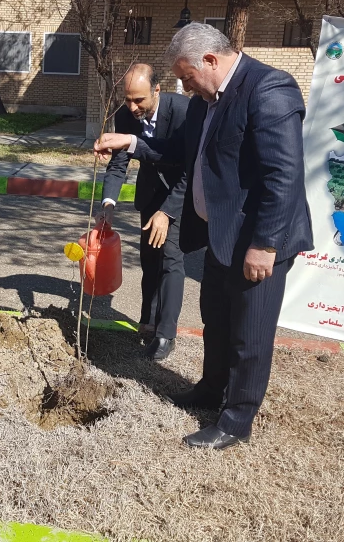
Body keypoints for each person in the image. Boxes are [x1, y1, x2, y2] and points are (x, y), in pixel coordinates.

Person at [95, 23, 313, 449]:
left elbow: (284, 176)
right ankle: (211, 390)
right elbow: (179, 156)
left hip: (258, 241)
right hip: (220, 235)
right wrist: (130, 143)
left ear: (210, 60)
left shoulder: (269, 89)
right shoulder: (204, 102)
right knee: (216, 321)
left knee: (248, 334)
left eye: (188, 77)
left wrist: (265, 244)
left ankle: (236, 420)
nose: (185, 87)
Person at [99, 63, 189, 361]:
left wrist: (167, 212)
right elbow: (118, 164)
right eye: (127, 100)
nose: (132, 107)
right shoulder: (126, 114)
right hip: (149, 195)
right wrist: (108, 205)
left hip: (178, 194)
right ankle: (148, 322)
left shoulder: (183, 111)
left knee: (171, 259)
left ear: (157, 90)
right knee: (150, 260)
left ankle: (166, 334)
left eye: (139, 100)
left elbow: (189, 168)